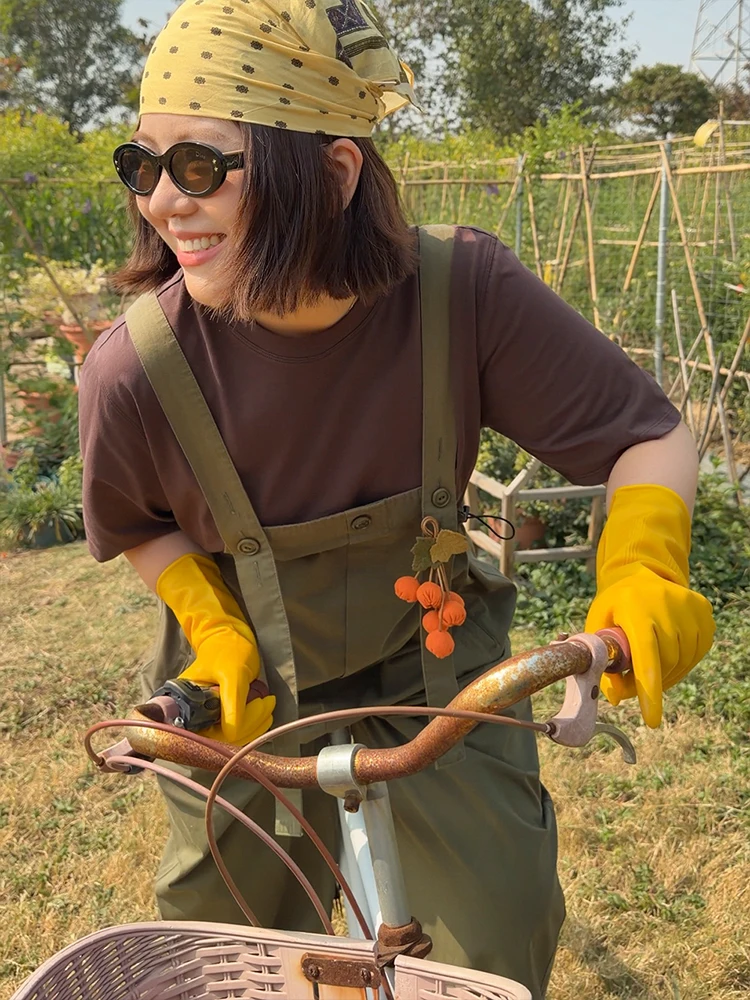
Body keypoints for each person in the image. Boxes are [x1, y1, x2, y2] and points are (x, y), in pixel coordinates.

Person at [77, 2, 715, 997]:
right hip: (237, 692)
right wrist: (215, 628)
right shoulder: (135, 371)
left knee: (493, 931)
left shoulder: (464, 295)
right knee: (235, 951)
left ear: (331, 177)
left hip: (434, 669)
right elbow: (137, 526)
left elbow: (650, 435)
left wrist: (642, 566)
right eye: (142, 164)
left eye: (200, 166)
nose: (163, 203)